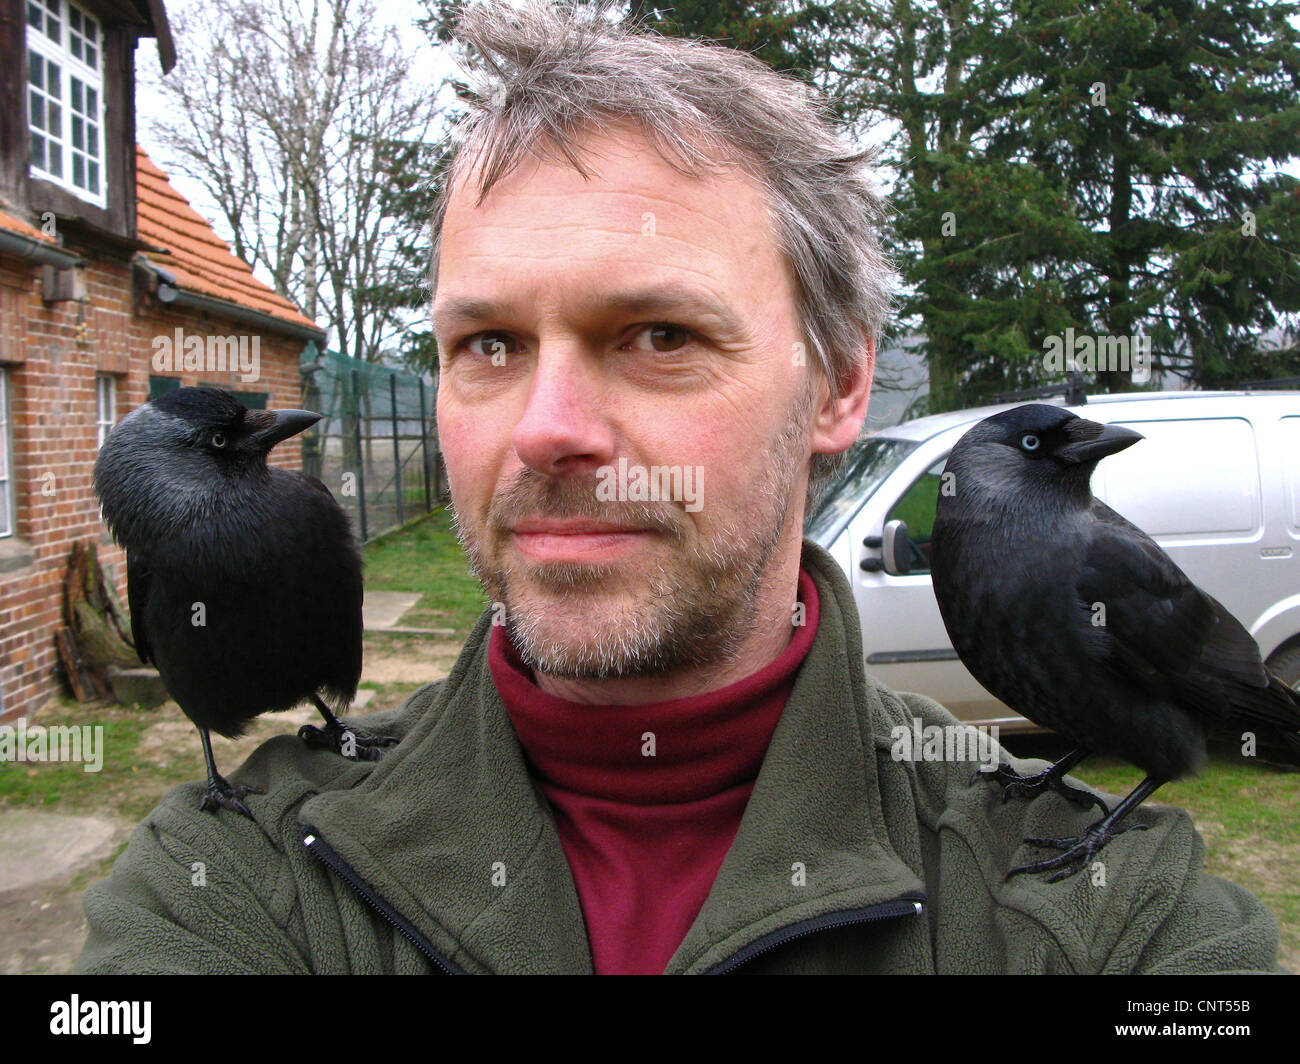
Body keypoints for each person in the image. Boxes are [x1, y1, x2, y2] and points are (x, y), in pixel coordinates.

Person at [76, 0, 1282, 974]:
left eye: (656, 334)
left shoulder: (1109, 919)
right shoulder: (231, 884)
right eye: (487, 345)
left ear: (841, 386)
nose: (546, 432)